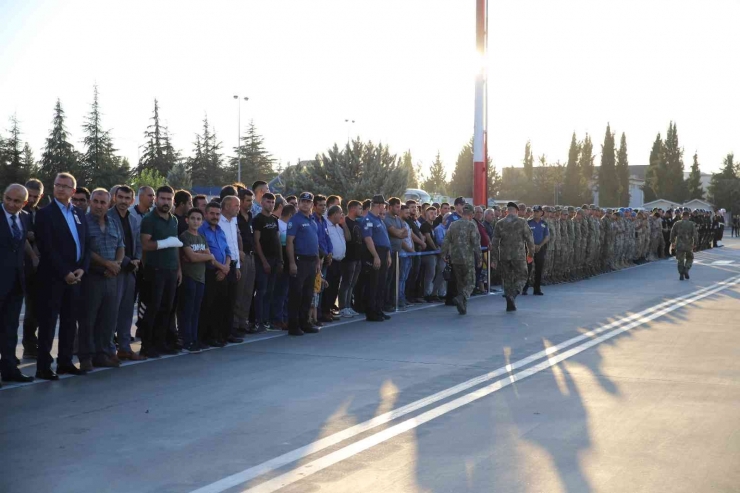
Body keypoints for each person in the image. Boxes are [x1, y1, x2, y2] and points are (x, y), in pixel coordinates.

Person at [35, 173, 89, 380]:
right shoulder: (44, 214)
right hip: (53, 277)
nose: (60, 189)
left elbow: (85, 243)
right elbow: (46, 248)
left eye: (66, 186)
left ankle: (65, 362)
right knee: (48, 323)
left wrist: (82, 268)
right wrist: (64, 272)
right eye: (58, 185)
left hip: (75, 276)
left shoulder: (78, 213)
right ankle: (43, 366)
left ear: (73, 191)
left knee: (69, 321)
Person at [78, 189, 124, 370]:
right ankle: (85, 357)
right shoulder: (83, 222)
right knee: (88, 319)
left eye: (102, 202)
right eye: (95, 201)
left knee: (108, 319)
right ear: (90, 202)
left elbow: (121, 246)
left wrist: (117, 264)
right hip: (92, 277)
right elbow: (85, 250)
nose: (99, 205)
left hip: (111, 277)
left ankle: (102, 354)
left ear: (109, 204)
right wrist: (107, 264)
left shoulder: (113, 222)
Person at [138, 186, 182, 358]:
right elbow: (145, 245)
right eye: (162, 198)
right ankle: (147, 346)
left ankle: (161, 343)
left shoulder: (174, 220)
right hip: (154, 269)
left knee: (167, 309)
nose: (165, 202)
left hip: (171, 270)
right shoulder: (149, 219)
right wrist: (165, 242)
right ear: (156, 199)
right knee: (152, 308)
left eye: (169, 199)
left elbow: (175, 246)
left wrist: (179, 269)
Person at [1, 184, 34, 384]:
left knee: (10, 329)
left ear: (24, 202)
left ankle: (9, 369)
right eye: (8, 199)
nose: (11, 204)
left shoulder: (24, 218)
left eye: (17, 201)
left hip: (15, 284)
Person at [107, 185, 145, 362]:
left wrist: (137, 259)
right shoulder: (107, 217)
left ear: (132, 200)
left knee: (127, 311)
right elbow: (110, 245)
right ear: (114, 198)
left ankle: (124, 347)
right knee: (111, 312)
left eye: (127, 198)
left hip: (131, 270)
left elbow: (138, 243)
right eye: (120, 197)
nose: (123, 201)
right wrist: (126, 262)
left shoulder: (133, 219)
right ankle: (108, 349)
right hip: (114, 269)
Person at [199, 201, 236, 346]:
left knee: (222, 305)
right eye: (212, 213)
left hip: (224, 271)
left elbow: (227, 251)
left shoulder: (220, 230)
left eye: (217, 214)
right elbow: (205, 252)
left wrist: (226, 267)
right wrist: (221, 267)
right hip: (210, 272)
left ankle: (219, 334)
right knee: (209, 305)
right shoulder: (202, 230)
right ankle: (208, 337)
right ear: (206, 214)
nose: (215, 216)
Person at [286, 192, 322, 336]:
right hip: (300, 260)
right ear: (299, 203)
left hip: (312, 261)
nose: (305, 204)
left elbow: (315, 243)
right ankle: (293, 325)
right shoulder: (295, 220)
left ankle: (304, 322)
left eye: (308, 201)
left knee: (308, 294)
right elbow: (289, 242)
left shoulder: (313, 220)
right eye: (303, 201)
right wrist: (292, 262)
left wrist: (318, 260)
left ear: (312, 204)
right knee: (296, 294)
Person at [179, 208, 213, 352]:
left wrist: (199, 255)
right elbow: (191, 257)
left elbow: (210, 257)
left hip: (201, 278)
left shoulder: (201, 237)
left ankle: (194, 338)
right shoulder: (184, 236)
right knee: (187, 310)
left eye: (198, 219)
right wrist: (200, 255)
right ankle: (186, 340)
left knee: (196, 311)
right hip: (189, 277)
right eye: (193, 218)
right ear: (187, 220)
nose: (196, 221)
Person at [491, 201, 535, 312]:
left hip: (504, 256)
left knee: (507, 279)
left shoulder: (500, 223)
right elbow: (530, 240)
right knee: (523, 276)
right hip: (518, 255)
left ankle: (509, 303)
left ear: (507, 211)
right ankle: (514, 293)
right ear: (516, 211)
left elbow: (494, 243)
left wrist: (494, 259)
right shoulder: (522, 222)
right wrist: (531, 253)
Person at [442, 204, 482, 315]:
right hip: (467, 259)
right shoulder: (471, 225)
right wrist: (479, 257)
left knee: (460, 283)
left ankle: (463, 307)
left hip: (455, 258)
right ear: (471, 214)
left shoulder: (453, 224)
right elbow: (476, 243)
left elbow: (446, 240)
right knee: (471, 282)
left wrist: (443, 253)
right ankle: (461, 298)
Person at [253, 193, 282, 330]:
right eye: (268, 202)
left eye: (272, 202)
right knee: (262, 291)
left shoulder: (274, 220)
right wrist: (264, 261)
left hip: (275, 260)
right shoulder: (258, 219)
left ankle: (266, 319)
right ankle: (258, 320)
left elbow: (277, 240)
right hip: (262, 261)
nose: (270, 204)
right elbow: (256, 242)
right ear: (262, 203)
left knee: (270, 291)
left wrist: (280, 260)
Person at [217, 195, 244, 343]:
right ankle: (219, 333)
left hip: (233, 265)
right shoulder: (218, 220)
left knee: (231, 301)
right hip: (221, 265)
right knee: (220, 301)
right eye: (236, 206)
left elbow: (234, 245)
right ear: (226, 207)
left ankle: (228, 332)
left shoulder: (234, 220)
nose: (238, 208)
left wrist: (238, 266)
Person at [21, 178, 43, 359]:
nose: (32, 199)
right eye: (30, 195)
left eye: (36, 196)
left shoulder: (41, 213)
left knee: (34, 309)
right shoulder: (18, 211)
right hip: (19, 265)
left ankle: (30, 344)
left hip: (36, 270)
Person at [362, 195, 392, 322]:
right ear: (378, 205)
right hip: (376, 252)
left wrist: (388, 255)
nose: (384, 207)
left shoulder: (379, 219)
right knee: (373, 284)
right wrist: (375, 256)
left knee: (381, 284)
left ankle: (378, 309)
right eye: (383, 205)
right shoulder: (368, 219)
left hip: (384, 252)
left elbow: (385, 238)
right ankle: (371, 311)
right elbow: (368, 240)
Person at [234, 188, 258, 334]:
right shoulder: (235, 218)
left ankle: (243, 322)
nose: (250, 204)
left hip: (251, 256)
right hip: (240, 257)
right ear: (241, 200)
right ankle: (235, 324)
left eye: (252, 201)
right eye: (248, 200)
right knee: (239, 290)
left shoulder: (250, 216)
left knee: (249, 291)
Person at [271, 204, 296, 329]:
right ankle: (277, 319)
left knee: (286, 293)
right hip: (282, 263)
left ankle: (285, 317)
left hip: (290, 263)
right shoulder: (278, 224)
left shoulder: (289, 226)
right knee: (280, 293)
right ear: (291, 215)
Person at [339, 200, 363, 318]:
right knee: (346, 282)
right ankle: (343, 307)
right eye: (359, 208)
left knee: (352, 283)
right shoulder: (345, 222)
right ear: (353, 209)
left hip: (358, 258)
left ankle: (348, 306)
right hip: (349, 258)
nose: (361, 210)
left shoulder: (357, 223)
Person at [323, 204, 346, 317]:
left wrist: (344, 224)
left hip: (339, 261)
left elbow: (348, 238)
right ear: (334, 214)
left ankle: (331, 307)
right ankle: (325, 309)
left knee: (335, 286)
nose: (342, 215)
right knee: (329, 286)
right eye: (340, 213)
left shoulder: (339, 227)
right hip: (330, 261)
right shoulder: (326, 225)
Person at [522, 205, 549, 296]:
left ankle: (537, 289)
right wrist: (532, 245)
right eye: (534, 211)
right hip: (530, 250)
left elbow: (547, 236)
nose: (536, 213)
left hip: (540, 249)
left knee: (539, 269)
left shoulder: (544, 223)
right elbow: (524, 236)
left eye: (537, 212)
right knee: (527, 269)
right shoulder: (528, 223)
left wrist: (540, 245)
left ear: (541, 213)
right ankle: (524, 288)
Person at [671, 210, 699, 281]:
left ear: (682, 216)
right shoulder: (691, 224)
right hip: (688, 245)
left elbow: (672, 233)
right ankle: (686, 269)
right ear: (688, 216)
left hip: (679, 245)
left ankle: (681, 274)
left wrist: (673, 242)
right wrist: (695, 244)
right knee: (690, 258)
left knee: (680, 260)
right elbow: (695, 235)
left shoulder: (677, 223)